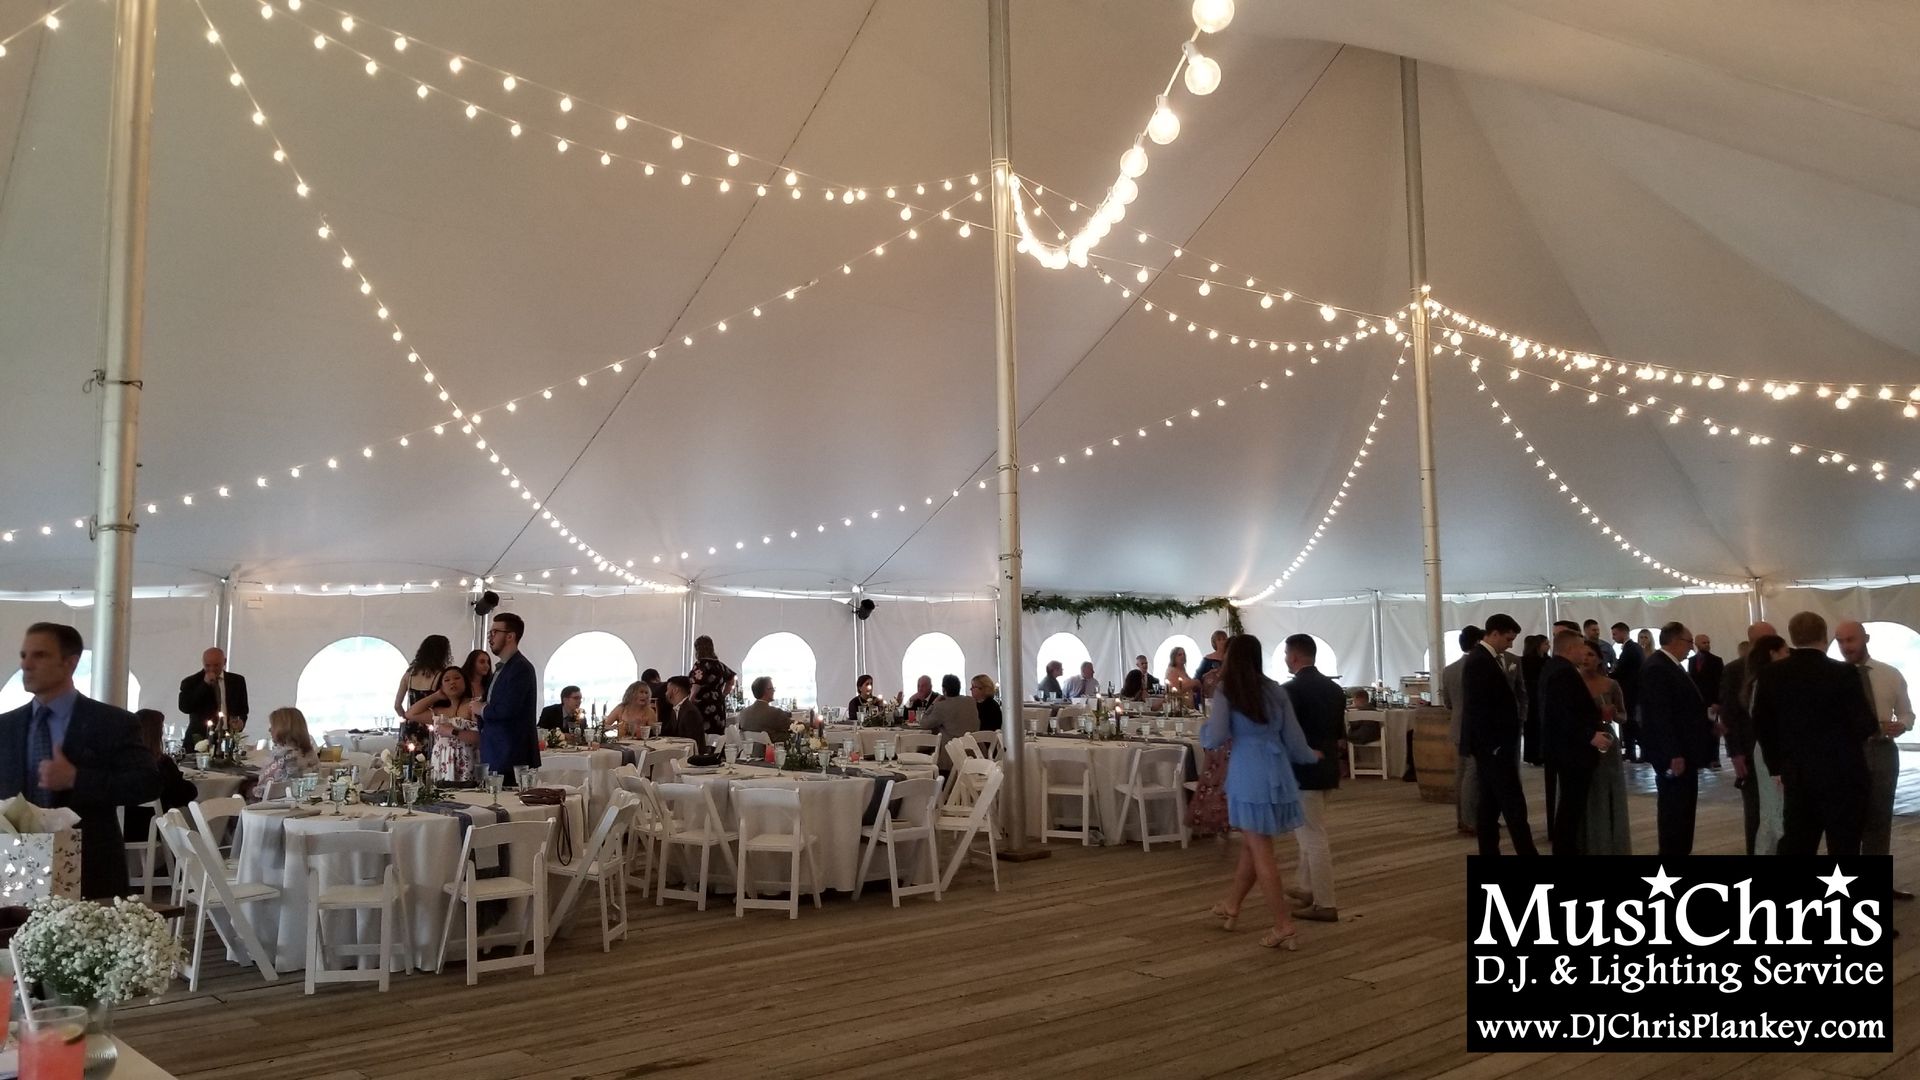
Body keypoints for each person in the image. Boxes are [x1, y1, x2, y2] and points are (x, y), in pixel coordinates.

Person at [0, 623, 159, 898]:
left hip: (91, 870)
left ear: (70, 663)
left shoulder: (111, 722)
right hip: (15, 872)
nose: (26, 664)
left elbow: (147, 784)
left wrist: (76, 778)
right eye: (24, 655)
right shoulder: (6, 727)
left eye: (40, 655)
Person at [1203, 634, 1321, 951]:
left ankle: (1283, 925)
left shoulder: (1228, 690)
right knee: (1253, 845)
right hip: (1276, 770)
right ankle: (1232, 905)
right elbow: (1293, 737)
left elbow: (1215, 736)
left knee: (1261, 850)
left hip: (1248, 773)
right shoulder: (1275, 689)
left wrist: (1204, 733)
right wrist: (1309, 755)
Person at [1754, 612, 1878, 857]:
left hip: (1797, 773)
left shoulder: (1771, 674)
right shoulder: (1843, 673)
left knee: (1798, 843)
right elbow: (1864, 724)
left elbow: (1762, 724)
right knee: (1844, 845)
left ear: (1792, 637)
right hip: (1842, 774)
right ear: (1824, 636)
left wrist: (1777, 766)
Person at [1835, 619, 1913, 881]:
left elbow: (1907, 712)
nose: (1846, 647)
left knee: (1880, 817)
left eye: (1851, 640)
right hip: (1847, 752)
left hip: (1882, 750)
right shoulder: (1833, 677)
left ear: (1866, 638)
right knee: (1848, 818)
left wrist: (1901, 725)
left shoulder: (1889, 674)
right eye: (1840, 641)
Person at [1460, 614, 1536, 856]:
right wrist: (1493, 745)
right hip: (1494, 746)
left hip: (1495, 745)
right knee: (1513, 803)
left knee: (1490, 804)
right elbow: (1478, 707)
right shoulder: (1479, 661)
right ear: (1494, 633)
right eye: (1508, 639)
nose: (1511, 644)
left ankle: (1489, 850)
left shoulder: (1485, 659)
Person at [1281, 634, 1343, 922]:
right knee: (1309, 831)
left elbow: (1286, 734)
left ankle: (1325, 902)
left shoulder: (1290, 691)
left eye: (1286, 654)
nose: (1286, 659)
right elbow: (1339, 734)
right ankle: (1307, 887)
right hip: (1327, 766)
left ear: (1294, 657)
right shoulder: (1334, 689)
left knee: (1313, 836)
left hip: (1303, 769)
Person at [1637, 622, 1713, 856]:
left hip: (1684, 749)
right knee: (1675, 810)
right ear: (1675, 641)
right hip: (1674, 753)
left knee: (1684, 808)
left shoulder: (1669, 665)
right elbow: (1660, 715)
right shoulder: (1658, 668)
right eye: (1689, 642)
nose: (1691, 648)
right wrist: (1673, 753)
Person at [1537, 629, 1606, 855]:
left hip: (1563, 747)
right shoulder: (1563, 673)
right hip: (1572, 750)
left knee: (1570, 802)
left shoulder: (1553, 668)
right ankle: (1565, 849)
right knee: (1571, 804)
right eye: (1582, 647)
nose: (1585, 653)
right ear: (1570, 648)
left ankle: (1566, 847)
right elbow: (1564, 714)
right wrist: (1590, 735)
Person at [1717, 621, 1775, 854]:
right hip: (1750, 749)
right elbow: (1729, 714)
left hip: (1779, 749)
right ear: (1752, 642)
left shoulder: (1783, 665)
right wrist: (1735, 752)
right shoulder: (1735, 670)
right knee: (1755, 809)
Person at [1578, 641, 1632, 854]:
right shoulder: (1573, 682)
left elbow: (1623, 716)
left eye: (1591, 655)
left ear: (1600, 659)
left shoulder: (1611, 684)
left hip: (1607, 742)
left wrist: (1613, 714)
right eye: (1583, 655)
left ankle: (1607, 841)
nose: (1586, 659)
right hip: (1581, 741)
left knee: (1606, 788)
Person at [477, 613, 540, 780]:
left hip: (512, 753)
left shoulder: (521, 668)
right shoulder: (502, 668)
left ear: (510, 636)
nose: (490, 637)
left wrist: (481, 709)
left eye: (494, 632)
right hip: (496, 750)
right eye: (490, 633)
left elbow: (508, 709)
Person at [1744, 634, 1791, 855]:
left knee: (1774, 809)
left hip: (1767, 748)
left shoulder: (1759, 680)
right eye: (1785, 651)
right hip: (1771, 750)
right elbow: (1767, 723)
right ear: (1773, 654)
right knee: (1774, 810)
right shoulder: (1766, 682)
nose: (1789, 656)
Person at [125, 709, 197, 851]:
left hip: (121, 827)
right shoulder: (161, 764)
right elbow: (185, 794)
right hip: (150, 828)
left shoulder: (122, 762)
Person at [1441, 626, 1485, 836]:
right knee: (1473, 775)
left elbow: (1447, 702)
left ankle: (1462, 818)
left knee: (1461, 774)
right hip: (1475, 727)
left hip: (1457, 726)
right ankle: (1470, 820)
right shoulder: (1480, 666)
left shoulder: (1449, 669)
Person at [409, 666, 480, 784]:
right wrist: (436, 695)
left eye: (457, 678)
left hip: (467, 762)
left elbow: (480, 737)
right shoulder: (439, 711)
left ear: (465, 682)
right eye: (446, 680)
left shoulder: (474, 705)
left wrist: (453, 731)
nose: (452, 682)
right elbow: (411, 713)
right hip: (442, 762)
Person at [177, 647, 248, 752]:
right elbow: (185, 707)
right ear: (203, 663)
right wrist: (204, 685)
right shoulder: (191, 682)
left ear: (224, 662)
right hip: (200, 739)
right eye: (208, 665)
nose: (212, 669)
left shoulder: (237, 681)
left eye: (216, 665)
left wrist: (241, 721)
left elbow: (243, 709)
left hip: (227, 738)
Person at [254, 707, 320, 802]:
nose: (270, 729)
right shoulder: (309, 755)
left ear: (283, 729)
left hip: (274, 806)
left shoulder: (284, 759)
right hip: (303, 803)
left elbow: (264, 790)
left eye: (273, 726)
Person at [394, 635, 452, 744]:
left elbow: (397, 706)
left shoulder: (409, 674)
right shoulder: (442, 676)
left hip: (410, 729)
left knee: (407, 754)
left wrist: (407, 717)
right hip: (431, 730)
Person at [916, 675, 979, 760]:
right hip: (974, 753)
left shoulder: (941, 706)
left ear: (944, 690)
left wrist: (933, 703)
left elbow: (923, 724)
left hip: (951, 756)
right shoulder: (971, 701)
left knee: (922, 750)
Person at [1609, 622, 1645, 760]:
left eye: (1615, 634)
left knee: (1629, 721)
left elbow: (1622, 671)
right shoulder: (1634, 648)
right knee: (1627, 721)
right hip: (1632, 689)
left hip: (1630, 690)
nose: (1613, 637)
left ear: (1623, 632)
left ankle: (1644, 748)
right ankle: (1630, 751)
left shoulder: (1630, 649)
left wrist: (1608, 676)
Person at [688, 636, 736, 736]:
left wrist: (691, 698)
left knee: (703, 735)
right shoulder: (720, 665)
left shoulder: (700, 664)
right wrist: (723, 695)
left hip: (703, 704)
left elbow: (697, 683)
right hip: (718, 704)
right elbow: (731, 680)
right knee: (717, 736)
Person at [1519, 635, 1549, 766]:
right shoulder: (1526, 661)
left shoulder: (1547, 660)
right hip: (1531, 695)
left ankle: (1540, 754)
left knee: (1540, 726)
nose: (1548, 646)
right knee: (1532, 726)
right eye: (1546, 644)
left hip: (1542, 695)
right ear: (1538, 645)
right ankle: (1533, 755)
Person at [1688, 633, 1724, 713]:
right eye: (1704, 643)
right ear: (1696, 644)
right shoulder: (1691, 660)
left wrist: (1717, 701)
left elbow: (1720, 682)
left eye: (1708, 642)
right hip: (1696, 700)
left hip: (1711, 701)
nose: (1707, 645)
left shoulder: (1716, 660)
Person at [660, 677, 703, 741]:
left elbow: (691, 740)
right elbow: (668, 732)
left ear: (675, 690)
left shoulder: (690, 712)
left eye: (667, 689)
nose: (666, 693)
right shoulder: (676, 709)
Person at [1194, 630, 1229, 698]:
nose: (1222, 642)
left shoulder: (1230, 658)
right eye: (1219, 640)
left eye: (1224, 639)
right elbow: (1198, 677)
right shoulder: (1207, 659)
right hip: (1211, 693)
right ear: (1214, 643)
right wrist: (1209, 674)